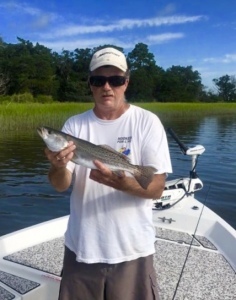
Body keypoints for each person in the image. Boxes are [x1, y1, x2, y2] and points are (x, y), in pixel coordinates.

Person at [45, 47, 172, 300]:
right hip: (81, 248)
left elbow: (157, 188)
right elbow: (60, 185)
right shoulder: (74, 125)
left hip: (132, 251)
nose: (107, 87)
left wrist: (122, 184)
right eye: (98, 80)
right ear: (90, 84)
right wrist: (58, 167)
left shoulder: (147, 122)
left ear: (126, 82)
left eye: (115, 80)